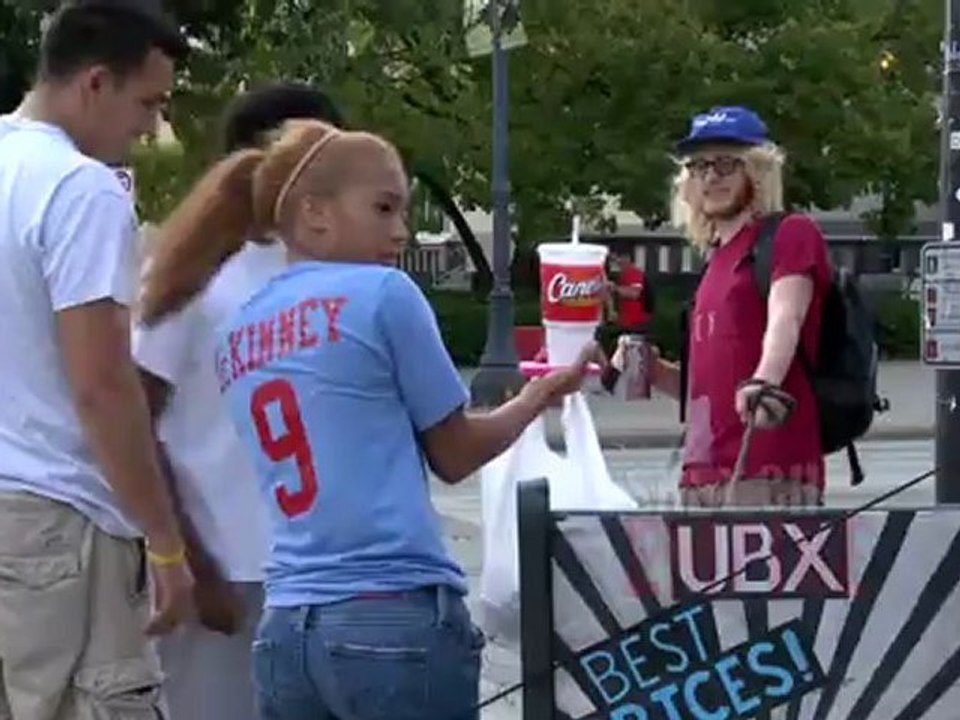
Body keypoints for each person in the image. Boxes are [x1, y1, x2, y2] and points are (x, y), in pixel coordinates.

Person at [138, 119, 596, 719]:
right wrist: (541, 394)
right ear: (315, 212)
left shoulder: (240, 326)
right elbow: (454, 452)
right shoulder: (384, 294)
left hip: (287, 622)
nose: (401, 232)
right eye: (384, 208)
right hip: (393, 606)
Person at [0, 2, 193, 718]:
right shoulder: (80, 189)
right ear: (95, 84)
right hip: (63, 518)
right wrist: (167, 546)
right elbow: (104, 385)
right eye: (147, 103)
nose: (150, 128)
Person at [133, 82, 347, 720]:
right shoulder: (192, 277)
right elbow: (134, 424)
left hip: (322, 574)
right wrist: (186, 558)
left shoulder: (340, 273)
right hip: (225, 573)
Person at [648, 105, 832, 508]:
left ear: (758, 171)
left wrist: (764, 382)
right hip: (699, 475)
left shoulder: (789, 234)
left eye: (727, 164)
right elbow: (708, 386)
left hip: (767, 471)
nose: (711, 176)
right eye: (699, 167)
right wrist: (650, 371)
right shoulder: (715, 260)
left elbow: (788, 316)